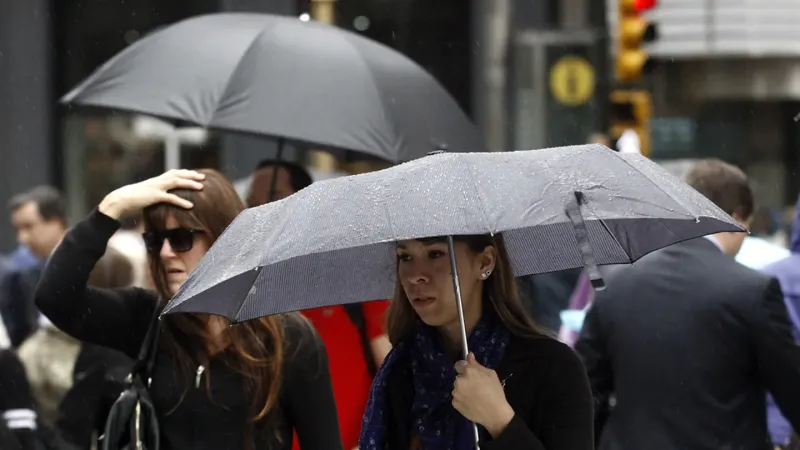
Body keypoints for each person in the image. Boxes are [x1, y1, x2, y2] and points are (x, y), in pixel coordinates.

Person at [34, 169, 341, 450]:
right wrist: (113, 206)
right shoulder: (148, 318)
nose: (166, 253)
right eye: (155, 240)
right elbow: (55, 297)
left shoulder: (287, 337)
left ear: (223, 237)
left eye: (181, 238)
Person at [576, 159, 800, 450]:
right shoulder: (753, 291)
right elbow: (791, 388)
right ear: (738, 219)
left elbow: (584, 389)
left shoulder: (618, 285)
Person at [359, 234, 594, 450]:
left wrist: (500, 421)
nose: (415, 275)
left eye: (436, 254)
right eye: (405, 257)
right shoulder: (400, 373)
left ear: (485, 262)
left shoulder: (552, 367)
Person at [247, 159, 391, 450]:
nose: (261, 211)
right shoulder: (249, 291)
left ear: (304, 203)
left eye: (273, 198)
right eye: (252, 204)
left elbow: (394, 372)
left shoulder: (352, 271)